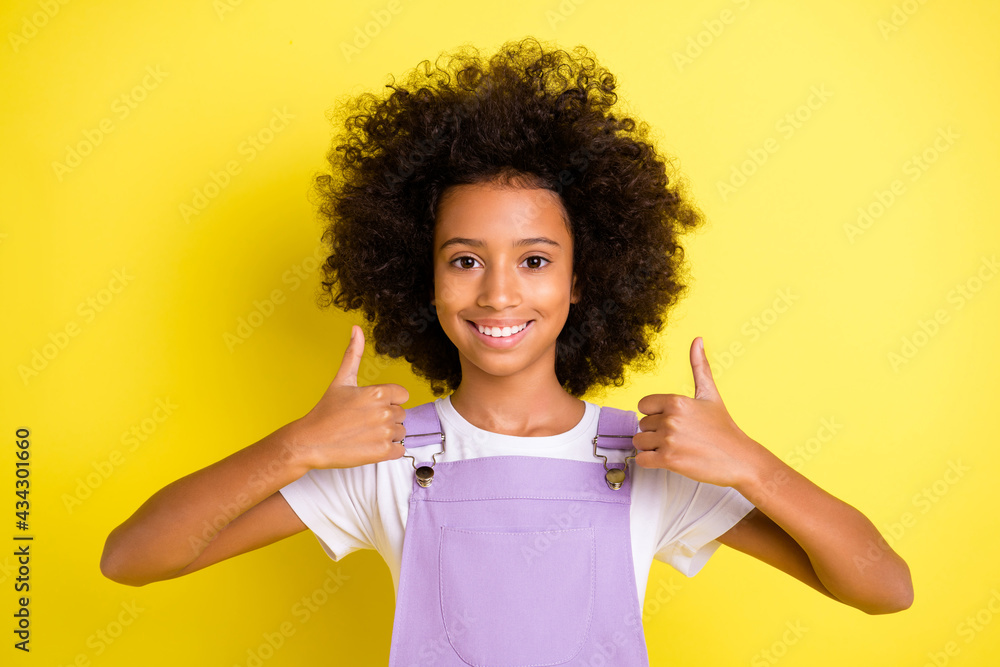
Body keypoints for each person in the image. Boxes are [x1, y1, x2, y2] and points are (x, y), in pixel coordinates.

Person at [101, 36, 912, 663]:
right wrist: (298, 446)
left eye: (533, 260)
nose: (497, 293)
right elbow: (133, 557)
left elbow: (883, 587)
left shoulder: (650, 459)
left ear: (583, 277)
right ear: (419, 277)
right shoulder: (386, 457)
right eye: (464, 259)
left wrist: (749, 465)